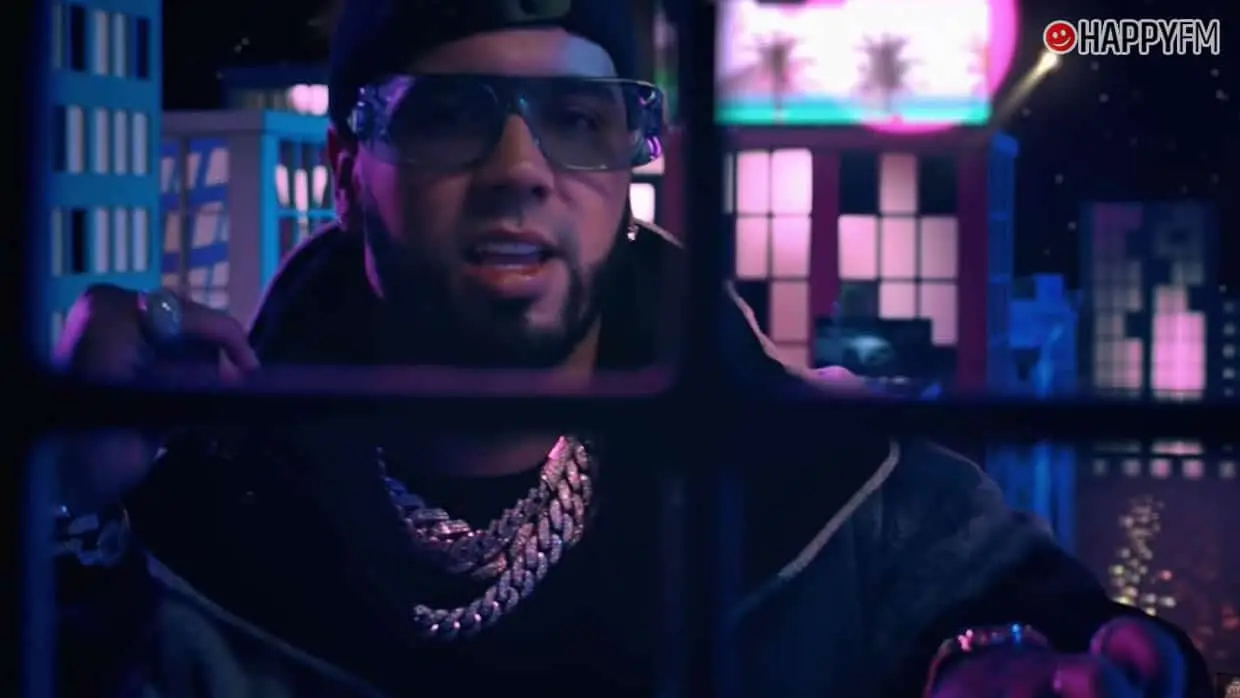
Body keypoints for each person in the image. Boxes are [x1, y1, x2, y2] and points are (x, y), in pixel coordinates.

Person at [52, 2, 1210, 697]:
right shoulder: (180, 512)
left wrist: (993, 660)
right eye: (449, 112)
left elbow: (1070, 636)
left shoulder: (833, 491)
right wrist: (61, 501)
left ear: (626, 166)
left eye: (577, 120)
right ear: (348, 172)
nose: (519, 169)